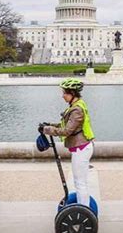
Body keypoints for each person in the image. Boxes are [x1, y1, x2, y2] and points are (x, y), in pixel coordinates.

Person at [41, 78, 95, 207]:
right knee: (79, 182)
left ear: (72, 93)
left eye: (65, 92)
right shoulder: (76, 106)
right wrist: (49, 125)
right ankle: (84, 208)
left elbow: (67, 131)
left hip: (81, 148)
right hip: (80, 147)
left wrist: (46, 130)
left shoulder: (77, 110)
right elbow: (66, 124)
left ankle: (84, 211)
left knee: (80, 183)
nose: (63, 95)